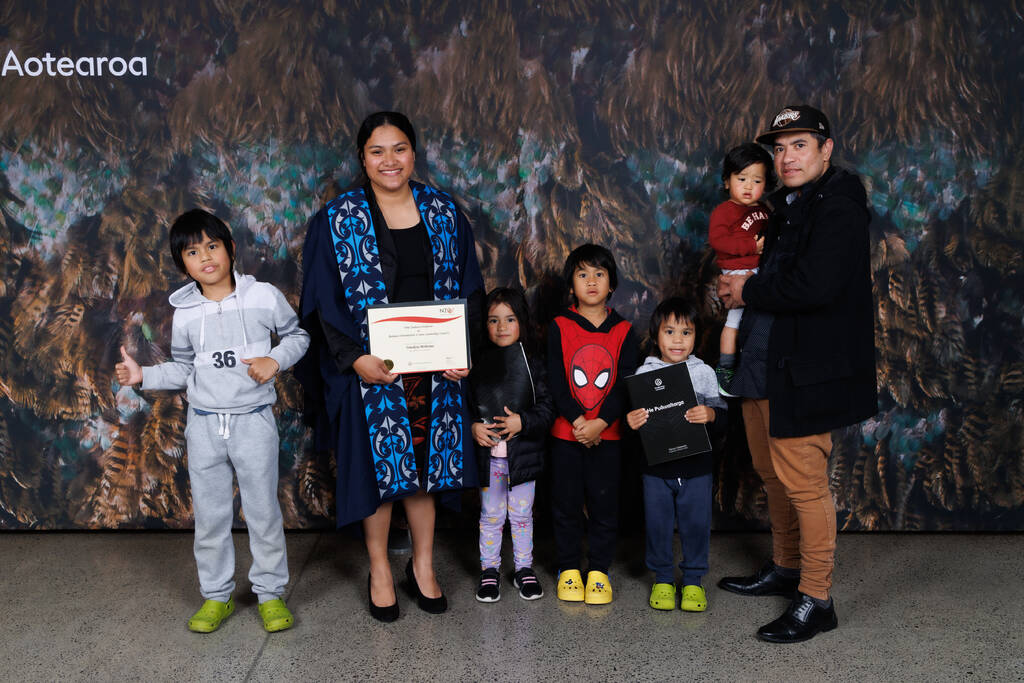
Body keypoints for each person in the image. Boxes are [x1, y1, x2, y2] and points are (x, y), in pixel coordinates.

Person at [298, 111, 484, 622]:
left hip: (434, 374)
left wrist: (460, 352)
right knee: (380, 478)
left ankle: (423, 567)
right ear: (363, 158)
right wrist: (354, 359)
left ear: (414, 153)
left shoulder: (445, 213)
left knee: (424, 475)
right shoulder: (338, 219)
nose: (389, 160)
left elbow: (469, 290)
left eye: (399, 148)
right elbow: (322, 301)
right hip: (371, 373)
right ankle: (380, 568)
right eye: (377, 151)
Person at [716, 105, 877, 643]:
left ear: (826, 148)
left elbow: (814, 286)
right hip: (765, 360)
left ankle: (816, 597)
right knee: (770, 471)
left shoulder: (840, 206)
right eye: (779, 149)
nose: (786, 157)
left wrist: (746, 290)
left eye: (799, 145)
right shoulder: (786, 205)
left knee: (806, 486)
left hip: (807, 369)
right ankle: (785, 568)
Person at [115, 209, 310, 633]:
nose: (205, 256)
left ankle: (271, 594)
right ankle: (216, 596)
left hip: (253, 421)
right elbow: (185, 370)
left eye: (213, 245)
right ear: (182, 263)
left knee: (262, 512)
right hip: (204, 425)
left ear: (231, 249)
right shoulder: (184, 313)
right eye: (192, 251)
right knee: (210, 515)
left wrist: (274, 359)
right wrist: (142, 375)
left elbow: (298, 336)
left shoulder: (263, 297)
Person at [546, 243, 641, 605]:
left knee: (604, 505)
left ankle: (599, 569)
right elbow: (556, 380)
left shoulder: (624, 331)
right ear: (571, 285)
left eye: (599, 274)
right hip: (565, 433)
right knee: (566, 503)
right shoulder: (559, 326)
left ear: (611, 283)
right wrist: (578, 421)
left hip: (608, 434)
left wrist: (600, 422)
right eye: (582, 274)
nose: (591, 282)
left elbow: (624, 384)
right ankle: (568, 568)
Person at [625, 297, 726, 612]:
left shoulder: (704, 372)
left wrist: (710, 414)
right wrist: (632, 421)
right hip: (656, 469)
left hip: (696, 467)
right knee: (658, 523)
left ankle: (694, 582)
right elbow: (636, 418)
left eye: (687, 332)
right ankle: (663, 579)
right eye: (670, 332)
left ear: (696, 336)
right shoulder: (646, 372)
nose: (678, 340)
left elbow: (723, 415)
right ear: (656, 336)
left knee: (696, 523)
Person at [469, 287, 554, 603]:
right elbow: (464, 406)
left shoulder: (534, 364)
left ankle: (523, 568)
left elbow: (547, 408)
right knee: (491, 515)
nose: (501, 327)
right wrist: (473, 427)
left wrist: (523, 422)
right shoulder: (475, 364)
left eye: (509, 319)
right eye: (493, 320)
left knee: (521, 514)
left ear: (522, 322)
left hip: (522, 458)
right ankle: (489, 570)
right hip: (490, 459)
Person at [708, 143, 773, 396]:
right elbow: (719, 241)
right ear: (727, 182)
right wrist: (751, 246)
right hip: (737, 274)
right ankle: (725, 368)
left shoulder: (763, 211)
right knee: (734, 321)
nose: (748, 186)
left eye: (756, 180)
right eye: (742, 178)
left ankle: (754, 366)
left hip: (761, 273)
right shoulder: (724, 212)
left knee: (759, 323)